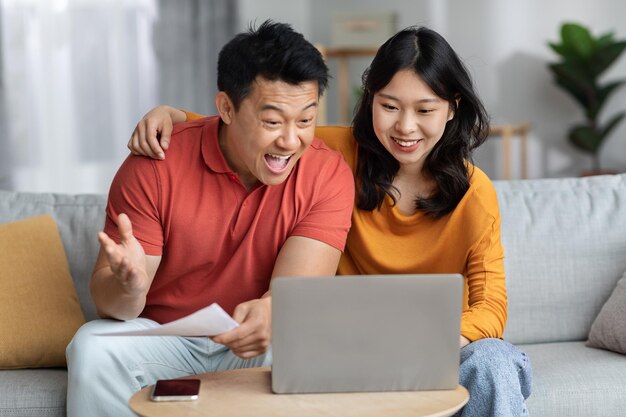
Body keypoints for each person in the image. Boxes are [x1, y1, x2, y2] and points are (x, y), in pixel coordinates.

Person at [130, 26, 533, 417]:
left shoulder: (474, 192)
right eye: (389, 106)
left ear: (452, 108)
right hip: (346, 350)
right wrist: (174, 115)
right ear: (370, 99)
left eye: (425, 110)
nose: (405, 127)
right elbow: (256, 125)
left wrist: (427, 342)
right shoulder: (337, 153)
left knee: (495, 362)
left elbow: (491, 306)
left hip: (438, 349)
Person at [66, 20, 354, 417]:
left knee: (321, 341)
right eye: (272, 121)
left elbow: (297, 293)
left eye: (304, 120)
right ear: (226, 108)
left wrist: (271, 312)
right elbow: (113, 308)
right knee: (91, 346)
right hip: (167, 340)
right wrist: (129, 286)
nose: (290, 141)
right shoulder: (156, 163)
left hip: (259, 342)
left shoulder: (326, 173)